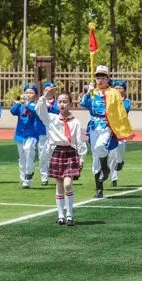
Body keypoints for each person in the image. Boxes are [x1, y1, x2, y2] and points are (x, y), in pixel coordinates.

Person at [80, 66, 134, 198]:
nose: (100, 80)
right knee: (95, 157)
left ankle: (106, 168)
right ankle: (99, 188)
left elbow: (120, 111)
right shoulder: (92, 92)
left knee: (100, 147)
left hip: (108, 126)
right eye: (98, 77)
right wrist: (88, 92)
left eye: (103, 77)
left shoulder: (114, 92)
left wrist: (120, 127)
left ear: (108, 79)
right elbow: (82, 103)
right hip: (93, 126)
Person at [36, 88, 87, 226]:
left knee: (68, 184)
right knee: (59, 185)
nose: (62, 104)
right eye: (59, 102)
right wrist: (45, 97)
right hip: (57, 151)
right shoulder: (52, 118)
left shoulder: (75, 121)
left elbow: (79, 140)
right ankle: (60, 215)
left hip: (70, 153)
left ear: (70, 103)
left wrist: (82, 157)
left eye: (65, 101)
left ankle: (70, 213)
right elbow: (39, 111)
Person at [11, 84, 40, 188]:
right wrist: (18, 103)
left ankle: (29, 173)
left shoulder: (37, 104)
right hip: (20, 134)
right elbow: (13, 111)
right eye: (27, 92)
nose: (28, 95)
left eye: (31, 93)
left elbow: (34, 112)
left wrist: (27, 104)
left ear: (35, 95)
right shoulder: (21, 105)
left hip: (32, 133)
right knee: (22, 157)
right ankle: (24, 178)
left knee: (28, 150)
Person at [35, 81, 60, 186]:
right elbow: (36, 110)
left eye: (51, 90)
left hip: (54, 132)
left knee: (54, 154)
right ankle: (44, 177)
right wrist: (44, 100)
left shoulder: (57, 102)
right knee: (43, 155)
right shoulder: (40, 101)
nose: (48, 92)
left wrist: (49, 105)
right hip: (42, 132)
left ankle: (56, 174)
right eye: (46, 90)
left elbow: (58, 111)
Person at [111, 80, 131, 187]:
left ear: (124, 90)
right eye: (116, 88)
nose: (118, 90)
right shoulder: (109, 100)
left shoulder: (127, 101)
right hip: (111, 129)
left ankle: (121, 161)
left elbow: (124, 110)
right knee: (112, 153)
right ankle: (114, 178)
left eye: (120, 88)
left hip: (122, 129)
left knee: (120, 149)